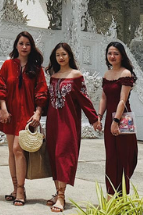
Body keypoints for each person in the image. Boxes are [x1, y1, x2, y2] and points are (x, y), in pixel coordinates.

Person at [44, 42, 101, 213]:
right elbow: (48, 99)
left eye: (63, 54)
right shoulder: (54, 76)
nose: (60, 58)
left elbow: (84, 99)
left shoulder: (76, 76)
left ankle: (61, 196)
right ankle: (57, 192)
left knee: (63, 156)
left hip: (68, 123)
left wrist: (94, 119)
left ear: (69, 56)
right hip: (53, 123)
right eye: (57, 55)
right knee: (53, 156)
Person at [0, 31, 48, 207]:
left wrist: (38, 113)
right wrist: (2, 110)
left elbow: (42, 92)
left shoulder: (37, 69)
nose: (24, 47)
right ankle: (14, 187)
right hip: (9, 114)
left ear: (31, 47)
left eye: (27, 44)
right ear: (16, 46)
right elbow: (0, 88)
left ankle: (20, 189)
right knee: (11, 151)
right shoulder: (7, 65)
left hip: (26, 115)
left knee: (18, 149)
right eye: (21, 43)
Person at [99, 41, 138, 196]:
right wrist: (99, 116)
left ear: (122, 55)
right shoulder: (106, 74)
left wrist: (116, 122)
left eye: (116, 53)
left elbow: (122, 100)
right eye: (109, 53)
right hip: (110, 118)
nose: (112, 56)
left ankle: (122, 196)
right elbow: (103, 97)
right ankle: (110, 195)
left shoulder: (126, 73)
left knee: (124, 156)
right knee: (111, 156)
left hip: (123, 118)